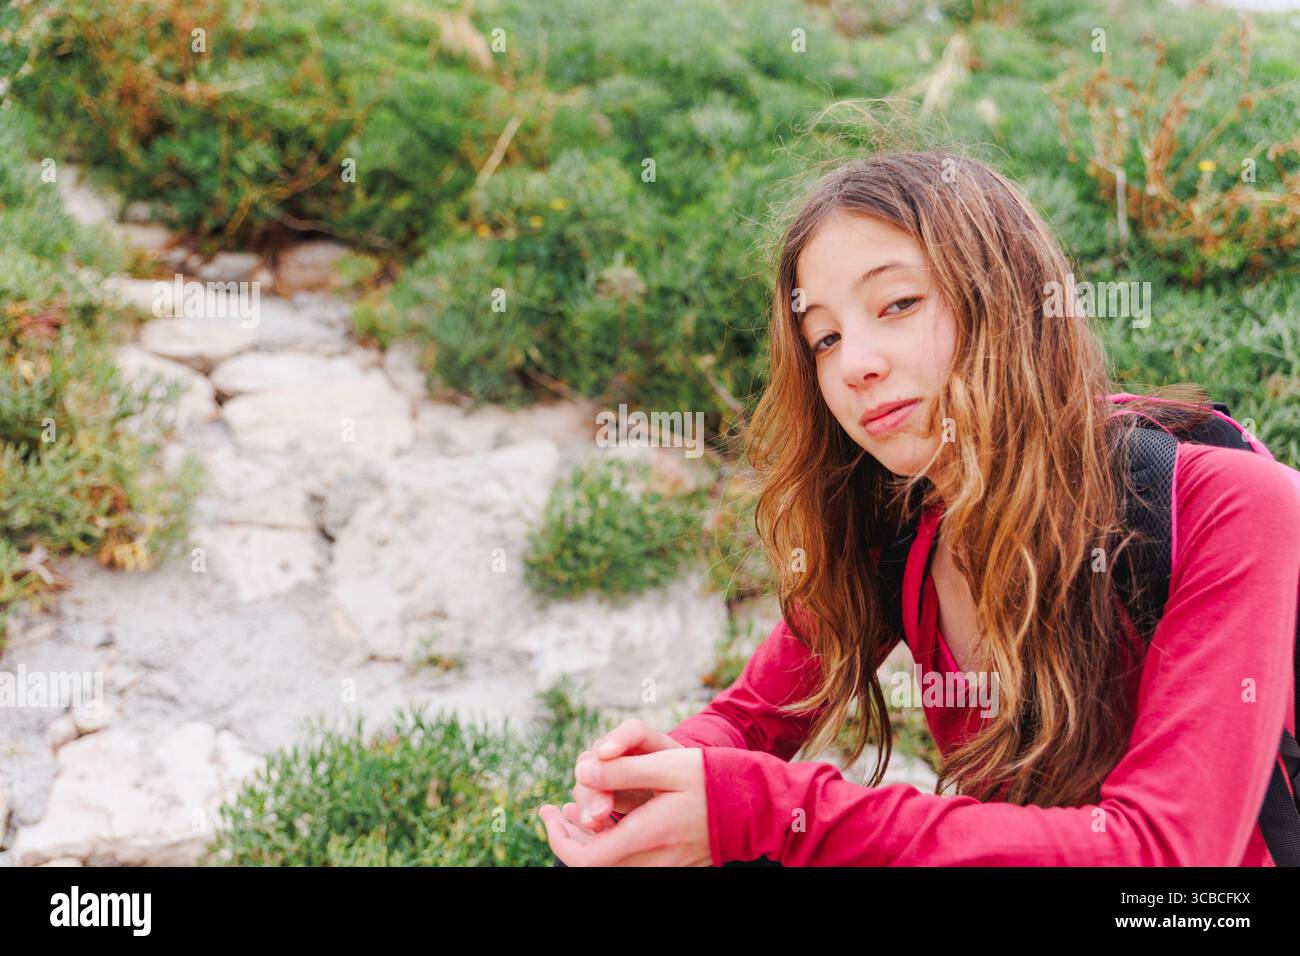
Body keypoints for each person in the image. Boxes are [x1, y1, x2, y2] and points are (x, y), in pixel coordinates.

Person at [538, 150, 1299, 866]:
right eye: (824, 337)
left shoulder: (1225, 506)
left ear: (1007, 299)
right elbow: (753, 719)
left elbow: (1165, 853)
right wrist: (660, 772)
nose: (856, 365)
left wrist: (764, 810)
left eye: (898, 303)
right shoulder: (897, 522)